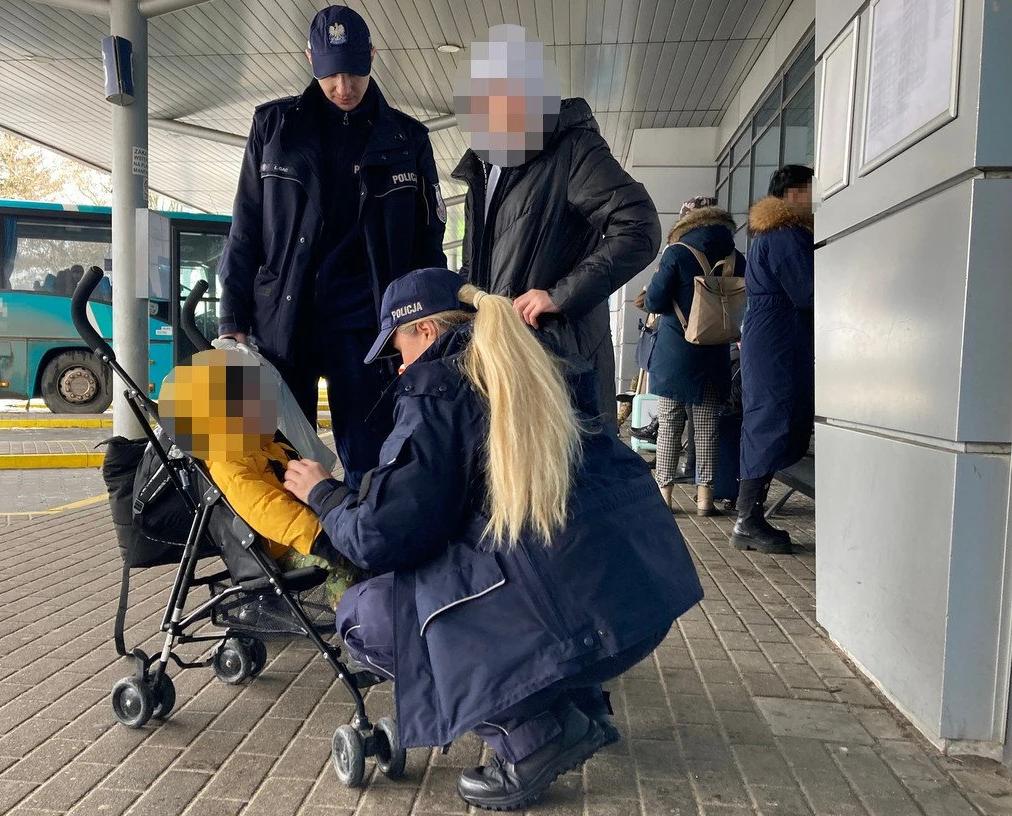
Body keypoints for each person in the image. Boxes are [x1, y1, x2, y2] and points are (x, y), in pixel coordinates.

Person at [283, 267, 703, 811]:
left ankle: (536, 738)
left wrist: (325, 496)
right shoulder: (536, 366)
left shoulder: (439, 391)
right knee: (512, 557)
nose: (400, 364)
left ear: (427, 333)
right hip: (633, 612)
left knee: (366, 617)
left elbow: (380, 539)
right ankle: (581, 708)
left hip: (573, 623)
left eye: (399, 348)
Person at [217, 5, 447, 490]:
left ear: (372, 58)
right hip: (285, 322)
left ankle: (366, 561)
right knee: (283, 463)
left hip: (369, 329)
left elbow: (428, 247)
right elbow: (245, 230)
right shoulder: (272, 128)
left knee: (374, 459)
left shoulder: (408, 139)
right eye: (331, 75)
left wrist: (434, 322)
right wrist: (232, 321)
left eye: (355, 73)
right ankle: (295, 559)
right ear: (309, 61)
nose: (344, 87)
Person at [451, 24, 661, 418]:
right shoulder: (482, 168)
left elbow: (640, 226)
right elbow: (475, 267)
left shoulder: (573, 149)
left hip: (558, 359)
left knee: (568, 474)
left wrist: (560, 296)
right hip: (498, 357)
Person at [157, 348, 360, 609]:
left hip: (306, 527)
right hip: (286, 545)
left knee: (362, 539)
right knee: (344, 563)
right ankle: (355, 622)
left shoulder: (262, 445)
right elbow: (265, 508)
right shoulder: (226, 461)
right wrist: (318, 536)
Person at [644, 197, 745, 515]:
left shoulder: (677, 253)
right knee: (706, 427)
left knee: (671, 424)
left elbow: (655, 302)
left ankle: (665, 495)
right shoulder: (735, 257)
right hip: (714, 352)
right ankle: (705, 498)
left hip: (675, 352)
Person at [732, 165, 815, 554]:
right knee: (771, 418)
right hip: (778, 340)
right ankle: (747, 520)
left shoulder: (772, 233)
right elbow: (808, 292)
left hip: (774, 337)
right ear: (795, 194)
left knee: (771, 416)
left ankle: (750, 517)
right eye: (812, 189)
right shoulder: (785, 234)